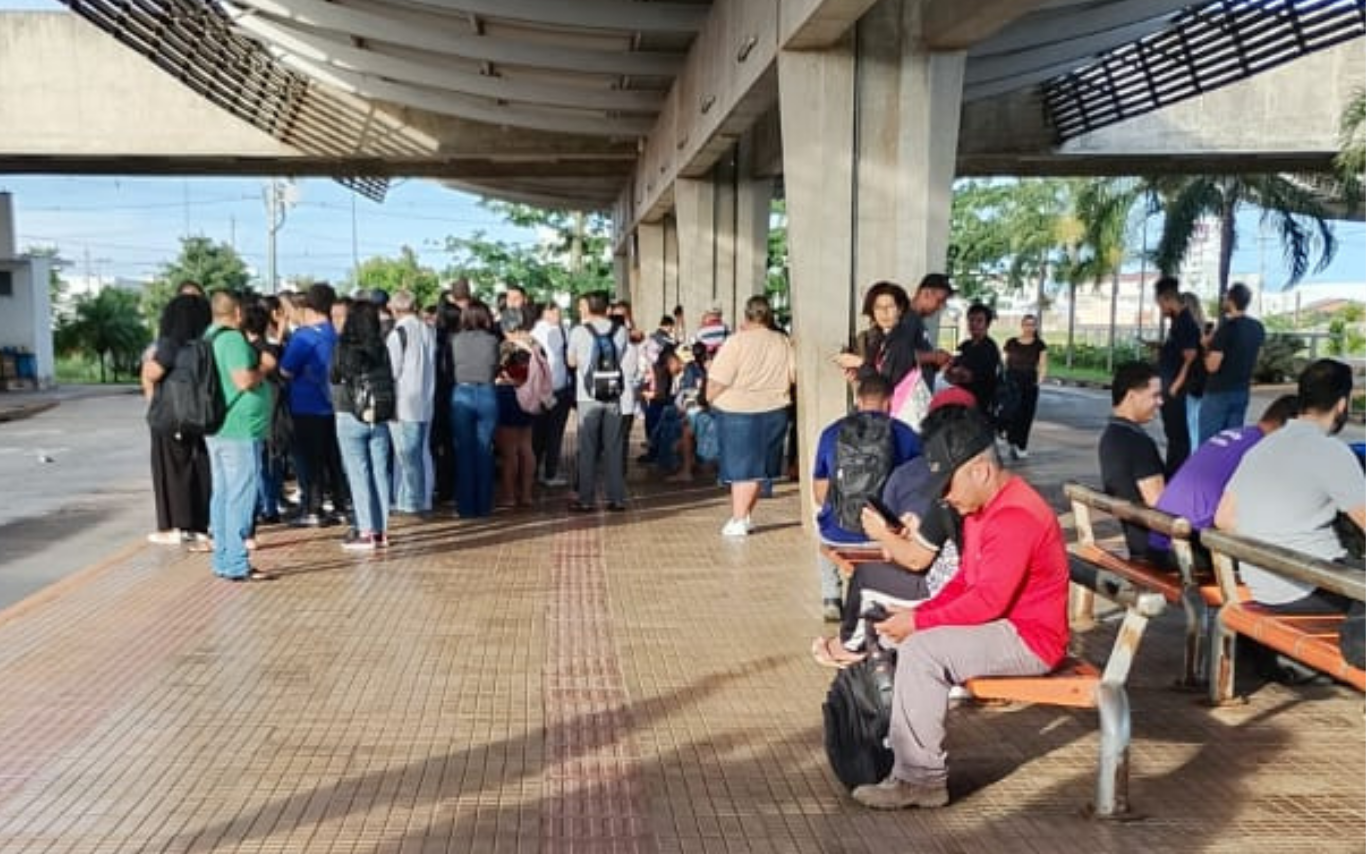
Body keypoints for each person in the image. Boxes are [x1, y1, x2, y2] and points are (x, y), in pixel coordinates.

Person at [852, 407, 1069, 810]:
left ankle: (920, 781)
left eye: (948, 485)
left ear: (981, 471)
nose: (944, 497)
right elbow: (964, 582)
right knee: (912, 641)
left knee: (922, 650)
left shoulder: (1015, 516)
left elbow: (987, 602)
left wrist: (920, 622)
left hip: (1031, 638)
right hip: (1004, 625)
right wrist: (920, 615)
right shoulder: (981, 509)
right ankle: (906, 763)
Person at [1215, 359, 1365, 613]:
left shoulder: (1262, 447)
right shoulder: (1331, 451)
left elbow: (1223, 518)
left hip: (1262, 586)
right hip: (1311, 587)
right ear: (1342, 404)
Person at [808, 375, 922, 621]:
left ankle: (831, 598)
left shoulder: (831, 433)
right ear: (889, 401)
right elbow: (917, 493)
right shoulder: (905, 434)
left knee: (823, 533)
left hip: (839, 538)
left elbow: (819, 494)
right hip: (885, 540)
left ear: (858, 400)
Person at [1148, 395, 1298, 558]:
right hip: (1182, 548)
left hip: (1160, 538)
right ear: (1289, 428)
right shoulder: (1261, 449)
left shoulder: (1234, 434)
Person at [707, 295, 795, 537]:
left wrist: (710, 398)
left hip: (737, 411)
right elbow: (793, 374)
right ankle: (744, 515)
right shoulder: (782, 342)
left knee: (741, 471)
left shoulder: (736, 342)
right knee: (759, 469)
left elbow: (718, 380)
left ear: (746, 315)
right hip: (775, 410)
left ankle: (738, 519)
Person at [204, 291, 273, 582]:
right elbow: (243, 380)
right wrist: (264, 368)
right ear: (238, 313)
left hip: (219, 427)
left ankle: (223, 557)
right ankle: (235, 561)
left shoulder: (208, 336)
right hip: (239, 429)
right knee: (241, 495)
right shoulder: (232, 339)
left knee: (222, 493)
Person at [141, 293, 213, 547]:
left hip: (170, 416)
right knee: (200, 467)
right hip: (201, 416)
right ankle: (200, 525)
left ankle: (173, 526)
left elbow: (152, 373)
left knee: (169, 470)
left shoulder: (171, 345)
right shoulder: (206, 346)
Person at [280, 283, 347, 527]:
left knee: (309, 461)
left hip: (306, 406)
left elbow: (286, 370)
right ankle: (340, 505)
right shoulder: (336, 335)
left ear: (308, 307)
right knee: (333, 459)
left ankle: (312, 508)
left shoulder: (304, 337)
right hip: (334, 405)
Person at [331, 301, 396, 550]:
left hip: (349, 414)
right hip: (379, 416)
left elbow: (333, 376)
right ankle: (381, 531)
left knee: (358, 473)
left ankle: (365, 530)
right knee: (380, 473)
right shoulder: (381, 347)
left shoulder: (343, 346)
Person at [566, 291, 634, 512]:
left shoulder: (578, 331)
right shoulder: (621, 330)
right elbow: (620, 356)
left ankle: (586, 499)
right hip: (613, 394)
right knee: (614, 447)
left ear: (587, 307)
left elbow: (571, 362)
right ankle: (617, 498)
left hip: (587, 396)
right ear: (607, 309)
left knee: (588, 449)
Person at [835, 277, 955, 394]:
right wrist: (934, 357)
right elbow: (898, 356)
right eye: (940, 301)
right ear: (926, 293)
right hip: (901, 399)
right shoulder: (908, 320)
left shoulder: (914, 321)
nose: (941, 307)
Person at [1098, 362, 1166, 561]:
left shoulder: (1111, 436)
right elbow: (1160, 505)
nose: (1160, 402)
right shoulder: (1138, 443)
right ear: (1131, 396)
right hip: (1158, 548)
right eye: (1155, 395)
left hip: (1136, 539)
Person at [448, 299, 501, 518]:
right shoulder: (492, 340)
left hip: (462, 392)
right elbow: (495, 365)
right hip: (487, 393)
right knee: (484, 449)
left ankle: (466, 507)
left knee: (464, 451)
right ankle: (484, 505)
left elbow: (449, 366)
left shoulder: (455, 340)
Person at [386, 290, 436, 515]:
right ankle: (419, 498)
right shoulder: (427, 330)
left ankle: (412, 501)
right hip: (425, 400)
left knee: (406, 455)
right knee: (420, 453)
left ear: (395, 309)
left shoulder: (398, 334)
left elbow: (392, 370)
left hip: (404, 403)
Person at [1199, 282, 1265, 443]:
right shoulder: (1257, 327)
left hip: (1218, 392)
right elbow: (1258, 357)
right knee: (1231, 441)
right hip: (1242, 390)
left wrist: (1205, 347)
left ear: (1231, 300)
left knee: (1210, 442)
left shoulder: (1226, 329)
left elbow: (1212, 366)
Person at [1154, 277, 1200, 475]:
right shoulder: (1177, 323)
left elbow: (1190, 357)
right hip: (1171, 388)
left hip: (1177, 392)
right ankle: (1173, 473)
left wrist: (1175, 386)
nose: (1161, 310)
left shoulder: (1185, 323)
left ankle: (1176, 477)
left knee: (1179, 439)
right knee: (1174, 437)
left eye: (1161, 305)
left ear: (1168, 300)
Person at [530, 302, 573, 487]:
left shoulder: (536, 333)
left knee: (539, 434)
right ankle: (549, 473)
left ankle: (534, 472)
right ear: (544, 313)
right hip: (555, 389)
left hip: (546, 390)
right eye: (554, 312)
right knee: (553, 433)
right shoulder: (556, 331)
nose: (558, 315)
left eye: (558, 312)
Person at [1000, 314, 1048, 459]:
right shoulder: (1011, 343)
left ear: (1035, 327)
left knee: (1026, 415)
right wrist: (1002, 379)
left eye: (1032, 325)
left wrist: (1039, 381)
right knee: (1012, 412)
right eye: (1027, 324)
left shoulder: (1039, 345)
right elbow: (1004, 362)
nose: (1029, 328)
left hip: (1029, 383)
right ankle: (1011, 437)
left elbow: (1043, 364)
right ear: (1022, 325)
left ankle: (1021, 445)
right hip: (1012, 382)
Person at [945, 302, 1000, 415]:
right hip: (959, 402)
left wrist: (959, 373)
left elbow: (971, 377)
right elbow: (948, 373)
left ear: (987, 324)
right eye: (971, 320)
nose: (974, 324)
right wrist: (955, 372)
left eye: (979, 321)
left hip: (979, 406)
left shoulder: (990, 348)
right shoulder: (964, 346)